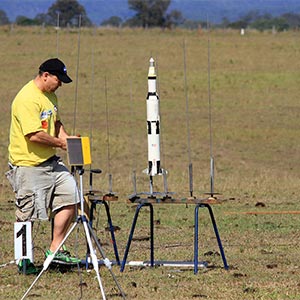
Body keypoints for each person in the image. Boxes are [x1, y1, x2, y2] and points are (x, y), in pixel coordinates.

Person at [6, 58, 81, 274]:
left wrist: (66, 138)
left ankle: (55, 250)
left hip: (51, 162)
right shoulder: (27, 99)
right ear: (45, 75)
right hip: (28, 165)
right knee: (27, 213)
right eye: (58, 79)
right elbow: (34, 135)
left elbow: (55, 123)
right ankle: (24, 259)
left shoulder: (51, 96)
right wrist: (60, 143)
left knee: (71, 197)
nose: (60, 85)